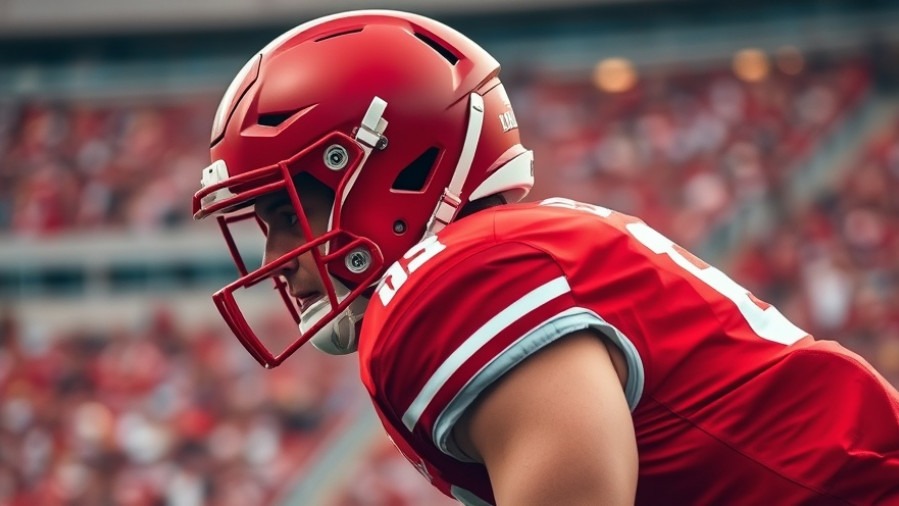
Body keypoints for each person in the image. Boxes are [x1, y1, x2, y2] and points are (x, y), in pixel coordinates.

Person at [192, 9, 899, 505]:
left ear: (388, 169)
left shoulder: (449, 279)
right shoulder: (509, 249)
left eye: (289, 213)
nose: (277, 256)